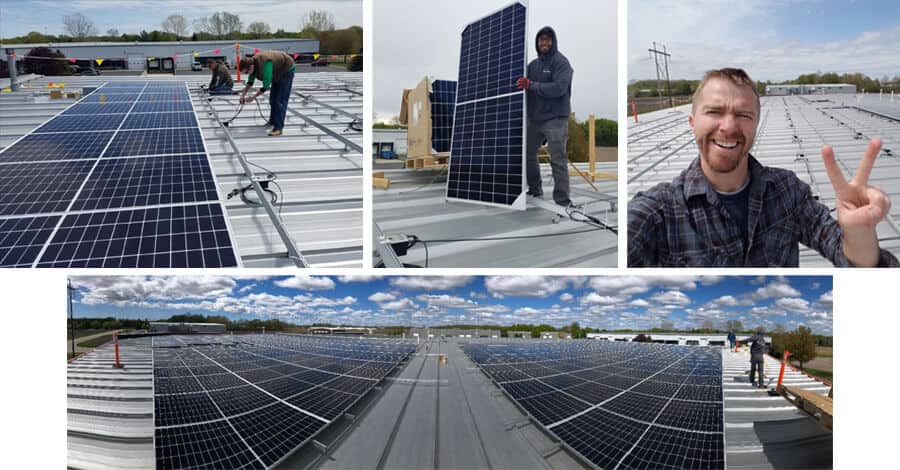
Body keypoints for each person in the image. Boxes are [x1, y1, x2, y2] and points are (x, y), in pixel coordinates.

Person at [628, 67, 898, 267]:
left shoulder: (787, 191)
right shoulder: (656, 213)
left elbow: (848, 256)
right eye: (714, 112)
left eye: (743, 115)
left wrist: (858, 231)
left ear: (756, 124)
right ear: (691, 122)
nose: (729, 126)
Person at [517, 26, 574, 207]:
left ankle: (562, 200)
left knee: (557, 159)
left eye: (548, 39)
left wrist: (532, 85)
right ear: (537, 43)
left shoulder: (561, 62)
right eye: (541, 40)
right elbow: (521, 84)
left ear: (553, 41)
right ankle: (535, 189)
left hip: (555, 118)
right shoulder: (532, 66)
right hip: (534, 119)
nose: (544, 43)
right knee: (527, 154)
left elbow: (559, 88)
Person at [239, 50, 296, 136]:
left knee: (279, 100)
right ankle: (272, 121)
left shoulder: (265, 65)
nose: (247, 74)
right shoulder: (253, 64)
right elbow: (250, 82)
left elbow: (266, 86)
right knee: (272, 99)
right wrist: (242, 95)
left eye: (246, 72)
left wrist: (253, 97)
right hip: (277, 71)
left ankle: (278, 128)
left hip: (287, 70)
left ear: (251, 67)